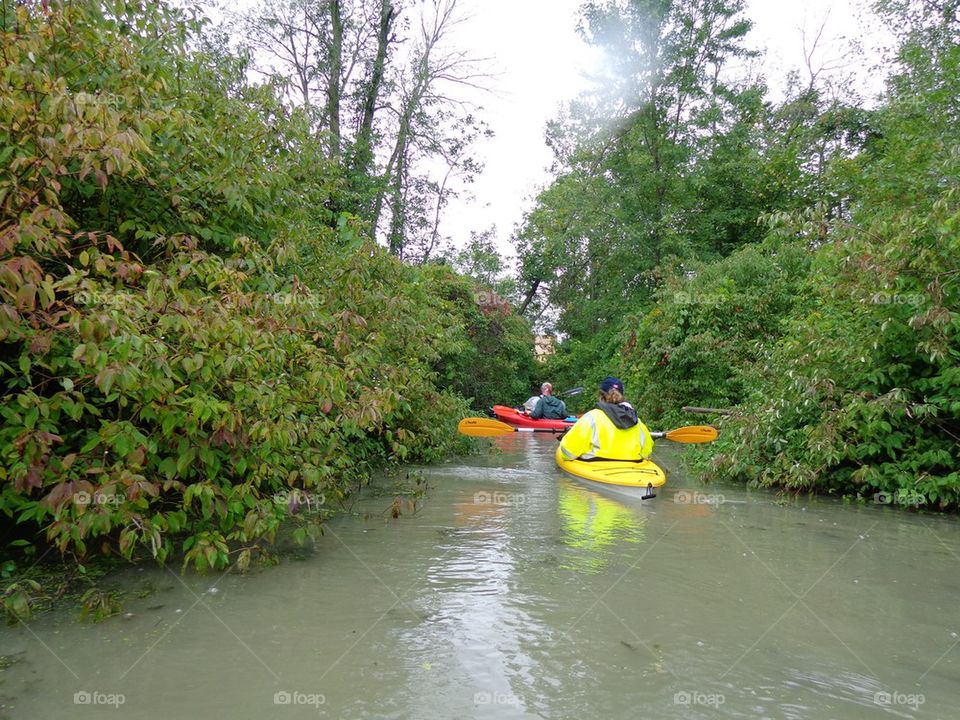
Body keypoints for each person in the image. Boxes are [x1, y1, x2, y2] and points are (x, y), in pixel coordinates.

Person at [559, 376, 653, 461]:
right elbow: (647, 454)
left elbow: (568, 453)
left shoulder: (591, 417)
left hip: (596, 470)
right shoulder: (637, 421)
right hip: (632, 471)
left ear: (600, 396)